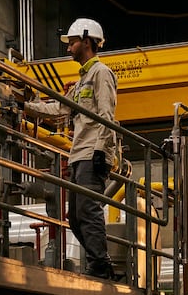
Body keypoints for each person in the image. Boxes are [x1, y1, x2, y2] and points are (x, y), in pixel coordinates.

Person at [25, 18, 119, 280]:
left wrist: (102, 150)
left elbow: (106, 114)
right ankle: (101, 262)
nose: (68, 48)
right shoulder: (80, 82)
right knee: (74, 217)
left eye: (72, 42)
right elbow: (60, 109)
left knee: (88, 211)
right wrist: (26, 107)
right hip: (78, 156)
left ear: (87, 42)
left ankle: (100, 265)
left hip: (93, 154)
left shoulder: (101, 73)